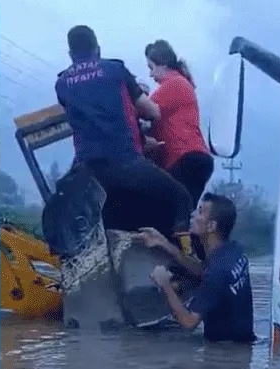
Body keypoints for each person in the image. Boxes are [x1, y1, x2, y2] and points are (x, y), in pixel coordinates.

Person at [56, 25, 196, 244]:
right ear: (97, 49)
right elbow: (152, 111)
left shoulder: (62, 83)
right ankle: (185, 259)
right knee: (181, 199)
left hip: (89, 172)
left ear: (70, 54)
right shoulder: (115, 70)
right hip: (125, 162)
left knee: (111, 223)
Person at [144, 192, 256, 343]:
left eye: (200, 212)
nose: (193, 215)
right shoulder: (233, 251)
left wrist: (165, 284)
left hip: (224, 353)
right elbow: (202, 270)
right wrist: (164, 243)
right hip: (243, 345)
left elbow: (188, 322)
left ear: (211, 226)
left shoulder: (218, 272)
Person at [144, 40, 214, 209]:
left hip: (184, 157)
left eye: (151, 67)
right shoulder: (182, 84)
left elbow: (141, 109)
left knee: (166, 213)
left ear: (163, 64)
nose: (151, 75)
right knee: (180, 215)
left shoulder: (174, 84)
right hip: (193, 158)